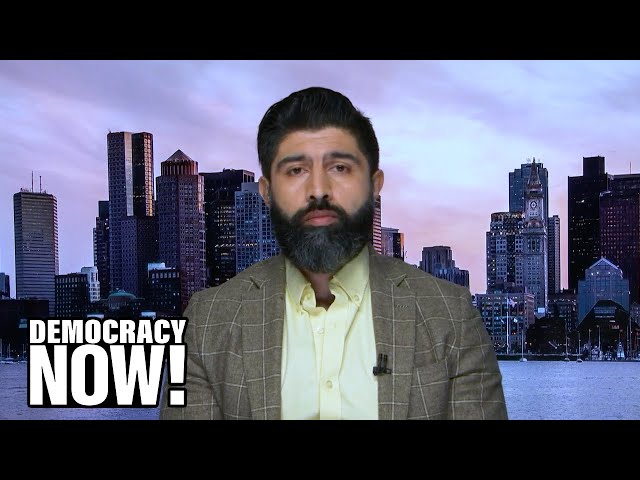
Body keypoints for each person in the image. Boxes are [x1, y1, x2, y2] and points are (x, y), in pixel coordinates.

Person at [160, 86, 508, 420]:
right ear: (266, 192)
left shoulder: (450, 316)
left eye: (339, 168)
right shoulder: (208, 323)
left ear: (374, 185)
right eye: (296, 170)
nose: (318, 190)